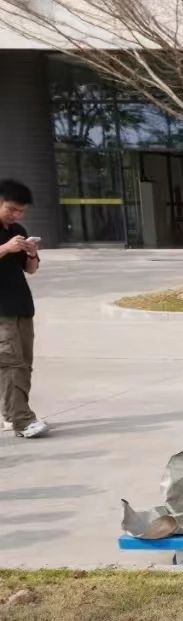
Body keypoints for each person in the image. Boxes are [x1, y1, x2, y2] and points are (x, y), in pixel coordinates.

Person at [0, 179, 48, 439]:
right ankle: (21, 420)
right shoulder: (8, 240)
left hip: (21, 306)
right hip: (1, 311)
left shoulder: (17, 230)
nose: (16, 215)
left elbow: (30, 270)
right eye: (11, 209)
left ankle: (11, 414)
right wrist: (6, 248)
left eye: (21, 211)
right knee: (10, 364)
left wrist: (30, 253)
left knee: (24, 364)